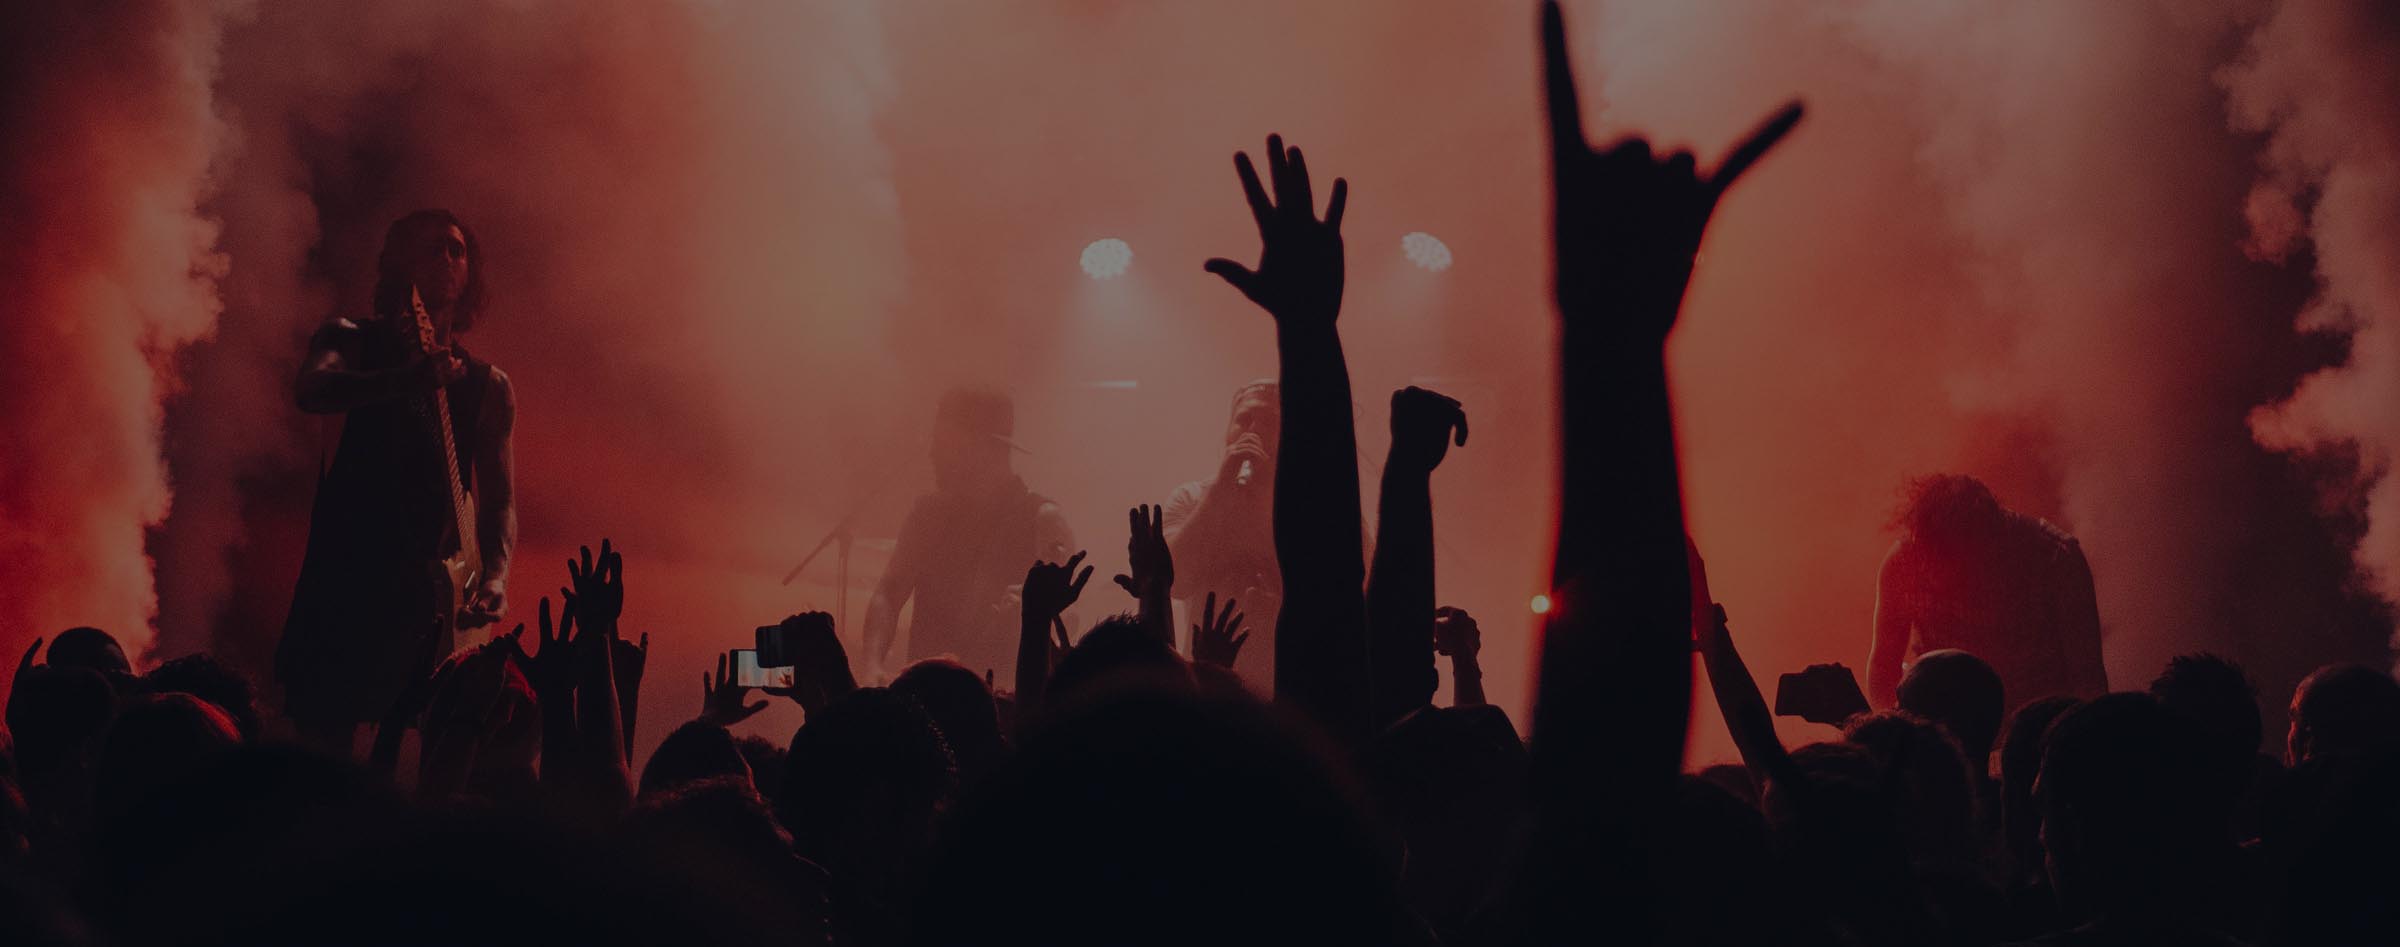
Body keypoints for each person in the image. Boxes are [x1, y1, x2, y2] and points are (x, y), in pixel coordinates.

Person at [275, 209, 516, 753]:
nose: (446, 259)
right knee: (322, 753)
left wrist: (496, 576)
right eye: (431, 248)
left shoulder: (489, 387)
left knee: (430, 749)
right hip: (344, 581)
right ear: (399, 263)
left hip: (431, 597)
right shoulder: (350, 339)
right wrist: (406, 380)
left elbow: (499, 500)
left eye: (457, 250)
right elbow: (312, 390)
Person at [860, 388, 1071, 682]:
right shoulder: (928, 515)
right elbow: (888, 592)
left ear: (983, 449)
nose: (932, 454)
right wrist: (872, 666)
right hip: (925, 696)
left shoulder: (1042, 519)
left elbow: (1067, 620)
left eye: (944, 445)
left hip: (1005, 700)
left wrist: (1034, 613)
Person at [1869, 474, 2106, 711]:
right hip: (1941, 722)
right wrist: (1890, 725)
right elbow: (1884, 667)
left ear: (1984, 541)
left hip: (2037, 721)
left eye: (1946, 558)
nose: (1931, 570)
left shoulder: (2055, 557)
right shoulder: (1905, 560)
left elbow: (2087, 676)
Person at [1162, 380, 1280, 679]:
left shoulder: (1322, 509)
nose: (1254, 430)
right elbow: (1171, 580)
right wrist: (1220, 490)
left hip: (1290, 687)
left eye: (1269, 421)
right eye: (1244, 419)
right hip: (1208, 685)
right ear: (1227, 430)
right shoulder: (1190, 498)